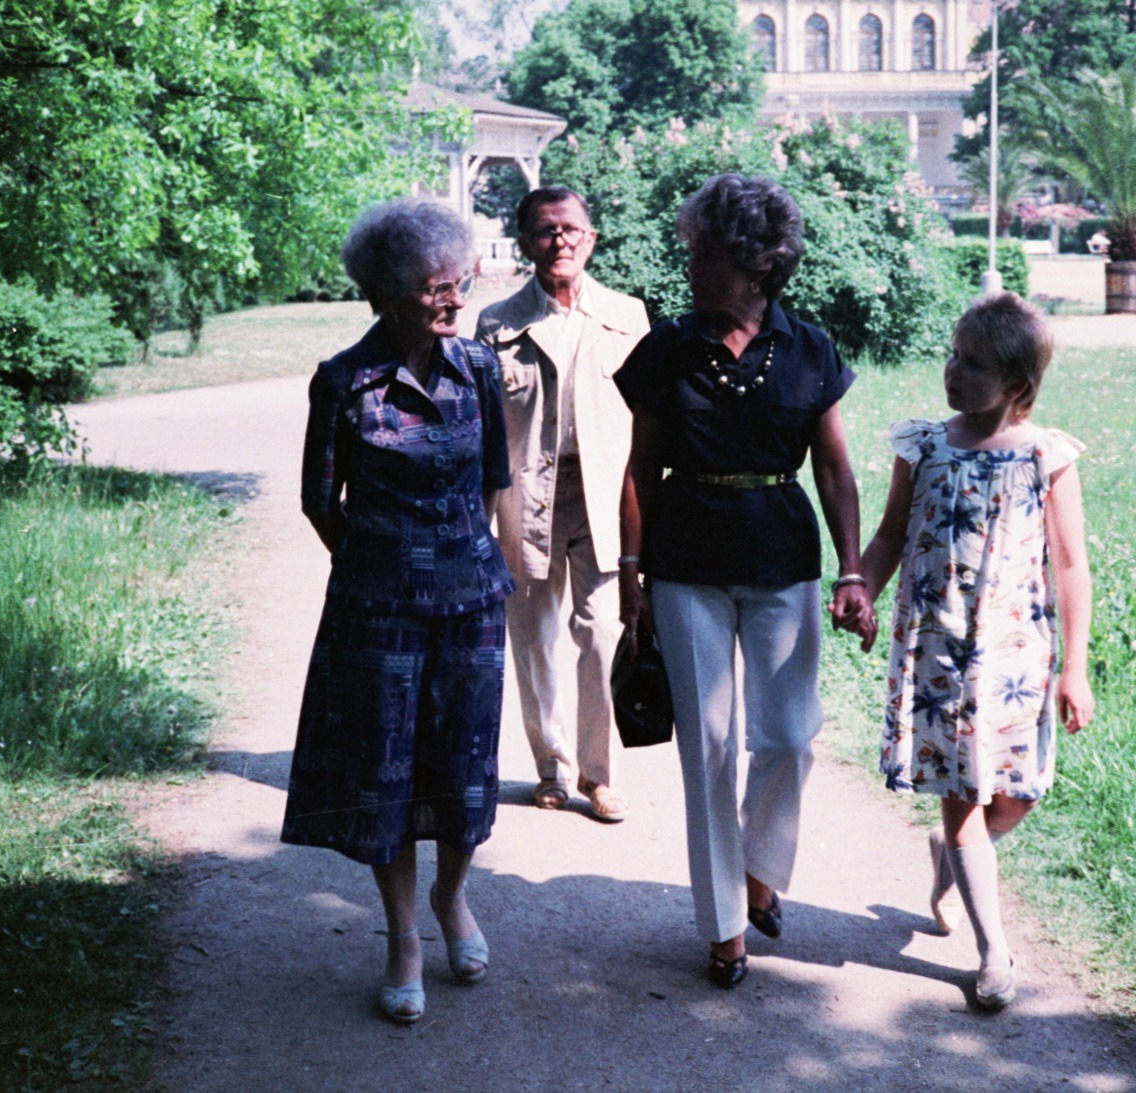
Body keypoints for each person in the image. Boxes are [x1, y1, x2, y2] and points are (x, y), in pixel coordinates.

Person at [616, 173, 872, 989]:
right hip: (685, 563)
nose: (689, 264)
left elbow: (834, 471)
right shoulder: (664, 349)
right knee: (710, 747)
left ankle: (762, 866)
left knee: (789, 735)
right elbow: (638, 469)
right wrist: (632, 568)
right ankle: (725, 924)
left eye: (706, 253)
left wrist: (854, 567)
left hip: (780, 558)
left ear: (757, 265)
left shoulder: (808, 348)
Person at [282, 199, 514, 1025]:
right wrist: (381, 564)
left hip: (472, 604)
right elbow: (320, 502)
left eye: (460, 282)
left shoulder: (479, 367)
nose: (454, 299)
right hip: (377, 609)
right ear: (385, 293)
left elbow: (495, 477)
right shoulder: (343, 381)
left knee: (463, 766)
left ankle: (454, 901)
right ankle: (403, 938)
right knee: (385, 777)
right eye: (435, 288)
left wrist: (464, 560)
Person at [843, 293, 1093, 1011]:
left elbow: (1071, 564)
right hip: (938, 652)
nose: (952, 371)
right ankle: (993, 953)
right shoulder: (922, 445)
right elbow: (891, 535)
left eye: (973, 364)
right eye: (950, 355)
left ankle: (952, 854)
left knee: (1014, 797)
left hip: (1017, 657)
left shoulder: (1045, 456)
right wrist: (859, 583)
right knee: (962, 797)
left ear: (1017, 385)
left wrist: (1073, 666)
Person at [477, 187, 650, 822]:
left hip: (604, 498)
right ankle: (550, 767)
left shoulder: (628, 315)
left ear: (591, 238)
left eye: (571, 230)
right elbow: (486, 430)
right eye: (545, 232)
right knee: (533, 636)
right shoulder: (496, 323)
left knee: (603, 633)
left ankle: (599, 776)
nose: (560, 242)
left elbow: (646, 423)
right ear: (525, 243)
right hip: (526, 497)